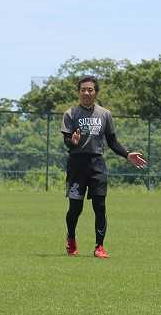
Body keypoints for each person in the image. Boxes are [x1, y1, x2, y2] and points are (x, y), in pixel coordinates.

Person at [62, 75, 147, 258]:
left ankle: (99, 246)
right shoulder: (70, 113)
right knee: (75, 208)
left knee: (100, 206)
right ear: (78, 92)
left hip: (97, 164)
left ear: (96, 92)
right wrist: (72, 141)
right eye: (83, 90)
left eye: (90, 90)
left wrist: (127, 154)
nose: (86, 93)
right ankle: (71, 238)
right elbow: (67, 140)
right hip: (76, 164)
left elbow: (112, 142)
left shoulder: (105, 114)